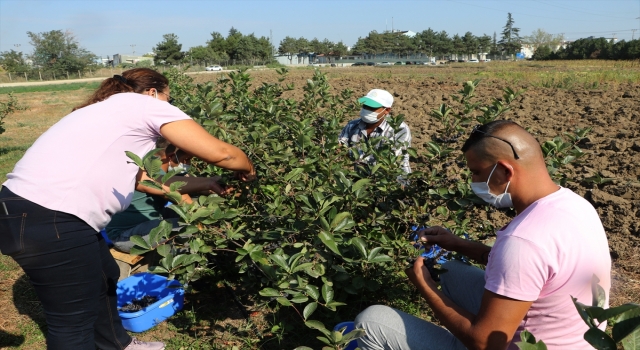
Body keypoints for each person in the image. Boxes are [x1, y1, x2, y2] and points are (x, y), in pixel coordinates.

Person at [0, 68, 255, 350]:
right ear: (152, 93)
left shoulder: (103, 113)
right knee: (72, 321)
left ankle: (118, 344)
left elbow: (146, 180)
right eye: (168, 99)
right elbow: (225, 154)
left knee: (105, 274)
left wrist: (205, 182)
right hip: (51, 218)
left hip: (26, 210)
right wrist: (249, 170)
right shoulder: (141, 104)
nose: (169, 106)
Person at [354, 120, 611, 350]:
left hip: (512, 344)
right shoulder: (574, 205)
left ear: (505, 171)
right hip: (575, 338)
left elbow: (485, 344)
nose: (473, 180)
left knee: (371, 321)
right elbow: (530, 270)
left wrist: (426, 287)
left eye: (476, 172)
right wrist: (458, 244)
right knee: (452, 272)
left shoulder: (523, 241)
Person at [106, 138, 228, 253]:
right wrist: (215, 228)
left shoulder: (164, 171)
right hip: (126, 236)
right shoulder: (153, 174)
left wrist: (223, 186)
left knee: (200, 205)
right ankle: (187, 268)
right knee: (190, 227)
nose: (188, 163)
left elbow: (198, 186)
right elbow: (187, 203)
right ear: (170, 157)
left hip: (149, 221)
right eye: (186, 159)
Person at [338, 89, 412, 174]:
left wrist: (352, 154)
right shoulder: (352, 125)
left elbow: (393, 159)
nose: (366, 110)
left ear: (387, 110)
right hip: (361, 179)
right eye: (365, 106)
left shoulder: (398, 129)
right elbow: (339, 147)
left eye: (372, 108)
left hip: (393, 182)